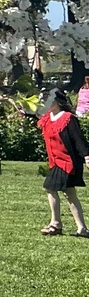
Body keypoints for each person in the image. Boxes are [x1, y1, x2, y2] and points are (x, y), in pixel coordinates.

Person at [38, 89, 89, 238]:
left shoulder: (68, 118)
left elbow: (78, 139)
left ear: (58, 101)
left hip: (67, 162)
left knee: (49, 187)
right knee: (69, 193)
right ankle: (83, 229)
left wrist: (86, 156)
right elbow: (29, 111)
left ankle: (56, 224)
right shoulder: (48, 118)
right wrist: (6, 100)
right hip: (55, 162)